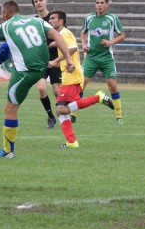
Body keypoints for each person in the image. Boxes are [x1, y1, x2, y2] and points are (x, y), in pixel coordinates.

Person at [0, 0, 74, 158]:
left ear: (5, 13)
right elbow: (57, 36)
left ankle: (7, 151)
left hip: (25, 71)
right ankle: (9, 149)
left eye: (1, 13)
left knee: (10, 109)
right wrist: (68, 59)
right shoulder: (37, 21)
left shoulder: (5, 26)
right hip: (42, 67)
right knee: (14, 106)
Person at [47, 10, 114, 149]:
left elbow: (72, 48)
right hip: (69, 75)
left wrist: (55, 61)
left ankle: (98, 98)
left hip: (72, 76)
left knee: (61, 108)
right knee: (61, 110)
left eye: (53, 18)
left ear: (61, 21)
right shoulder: (60, 36)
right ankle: (71, 142)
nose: (50, 21)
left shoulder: (65, 33)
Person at [81, 0, 126, 123]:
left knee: (112, 86)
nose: (99, 5)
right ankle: (73, 114)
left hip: (106, 57)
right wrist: (84, 45)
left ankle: (118, 116)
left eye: (102, 3)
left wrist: (111, 42)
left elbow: (122, 35)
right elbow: (83, 32)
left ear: (107, 5)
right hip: (91, 57)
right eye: (97, 3)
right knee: (81, 84)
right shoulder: (89, 18)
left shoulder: (112, 18)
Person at [31, 0, 62, 129]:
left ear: (46, 1)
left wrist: (57, 42)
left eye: (40, 0)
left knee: (56, 90)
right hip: (41, 59)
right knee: (42, 88)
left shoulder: (54, 17)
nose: (38, 3)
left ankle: (63, 114)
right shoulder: (33, 21)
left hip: (55, 58)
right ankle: (50, 117)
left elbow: (63, 35)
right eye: (36, 1)